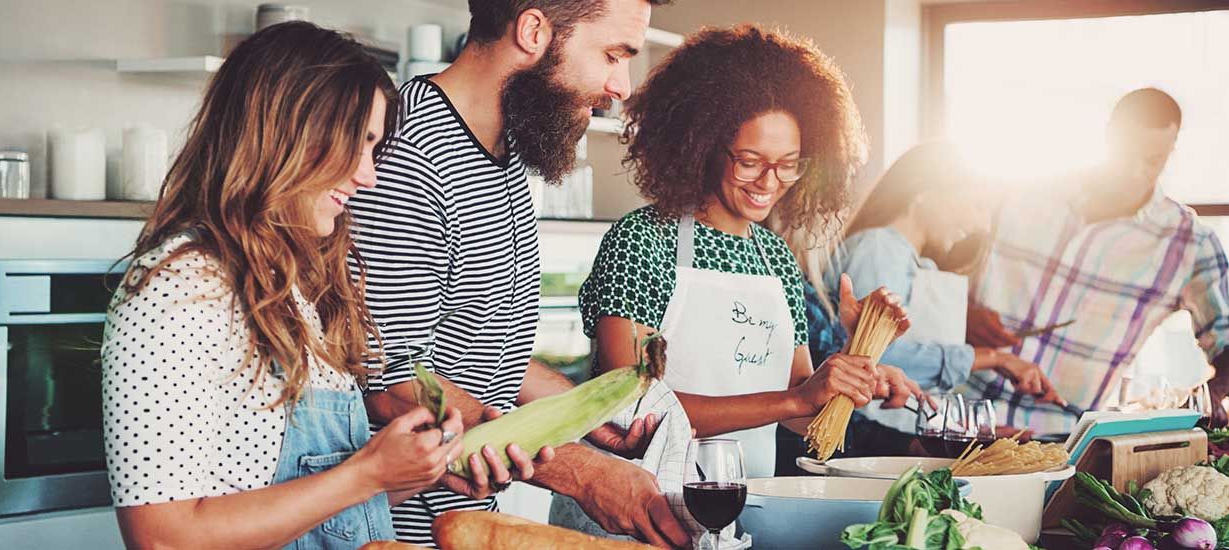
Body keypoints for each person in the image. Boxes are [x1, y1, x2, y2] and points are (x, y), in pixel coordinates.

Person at [100, 23, 497, 548]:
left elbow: (312, 508)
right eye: (352, 145)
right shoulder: (178, 288)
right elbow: (163, 537)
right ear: (283, 135)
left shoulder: (293, 289)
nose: (367, 176)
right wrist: (367, 474)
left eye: (373, 148)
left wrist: (414, 470)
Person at [348, 0, 691, 547]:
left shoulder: (502, 151)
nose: (622, 85)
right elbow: (389, 381)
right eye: (612, 54)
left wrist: (582, 414)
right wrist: (584, 474)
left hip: (466, 525)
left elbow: (480, 344)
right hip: (392, 533)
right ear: (534, 31)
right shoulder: (410, 155)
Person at [577, 25, 922, 484]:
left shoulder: (774, 257)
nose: (768, 182)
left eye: (788, 164)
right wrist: (797, 399)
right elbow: (627, 408)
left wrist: (853, 372)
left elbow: (799, 415)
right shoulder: (642, 241)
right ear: (702, 147)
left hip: (738, 505)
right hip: (628, 508)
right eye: (750, 160)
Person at [964, 88, 1229, 433]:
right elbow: (934, 270)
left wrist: (1207, 397)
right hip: (953, 417)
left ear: (1171, 151)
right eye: (1126, 154)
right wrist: (960, 314)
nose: (1134, 172)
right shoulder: (1019, 195)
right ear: (1107, 136)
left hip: (1058, 440)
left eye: (1152, 160)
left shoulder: (1189, 243)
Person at [822, 142, 1062, 455]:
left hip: (901, 448)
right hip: (864, 450)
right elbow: (874, 358)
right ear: (923, 192)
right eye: (977, 205)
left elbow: (914, 382)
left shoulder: (916, 263)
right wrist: (995, 358)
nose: (983, 225)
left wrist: (964, 432)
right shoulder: (878, 248)